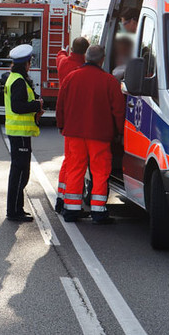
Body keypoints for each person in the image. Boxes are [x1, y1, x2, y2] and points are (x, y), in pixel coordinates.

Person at [56, 45, 125, 224]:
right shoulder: (109, 81)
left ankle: (71, 209)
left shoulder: (71, 77)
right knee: (100, 171)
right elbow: (118, 110)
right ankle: (98, 211)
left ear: (86, 58)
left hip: (74, 133)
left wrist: (61, 125)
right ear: (102, 60)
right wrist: (119, 132)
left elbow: (60, 105)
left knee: (75, 169)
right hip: (99, 135)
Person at [4, 44, 43, 222]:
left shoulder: (15, 78)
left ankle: (16, 209)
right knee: (20, 173)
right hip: (19, 134)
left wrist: (35, 105)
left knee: (18, 172)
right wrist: (36, 105)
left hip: (19, 133)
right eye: (30, 62)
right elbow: (17, 106)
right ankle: (14, 211)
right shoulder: (19, 80)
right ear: (26, 63)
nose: (30, 65)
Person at [53, 36, 90, 213]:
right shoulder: (84, 67)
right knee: (79, 163)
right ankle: (72, 200)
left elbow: (59, 56)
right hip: (83, 120)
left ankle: (61, 195)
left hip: (68, 120)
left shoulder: (63, 63)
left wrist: (62, 50)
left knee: (68, 160)